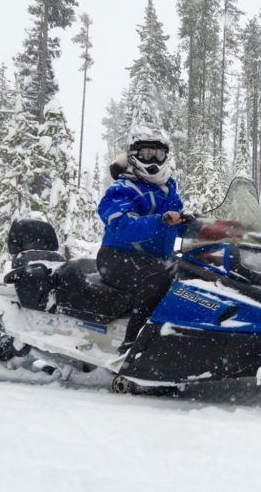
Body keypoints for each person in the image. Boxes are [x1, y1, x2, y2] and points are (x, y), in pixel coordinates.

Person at [97, 125, 185, 354]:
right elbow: (123, 226)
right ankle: (133, 347)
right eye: (147, 154)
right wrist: (162, 220)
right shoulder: (121, 188)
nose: (153, 159)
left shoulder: (168, 190)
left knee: (190, 276)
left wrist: (212, 229)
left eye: (159, 154)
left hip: (154, 258)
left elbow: (179, 223)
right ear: (134, 156)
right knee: (158, 278)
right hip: (116, 257)